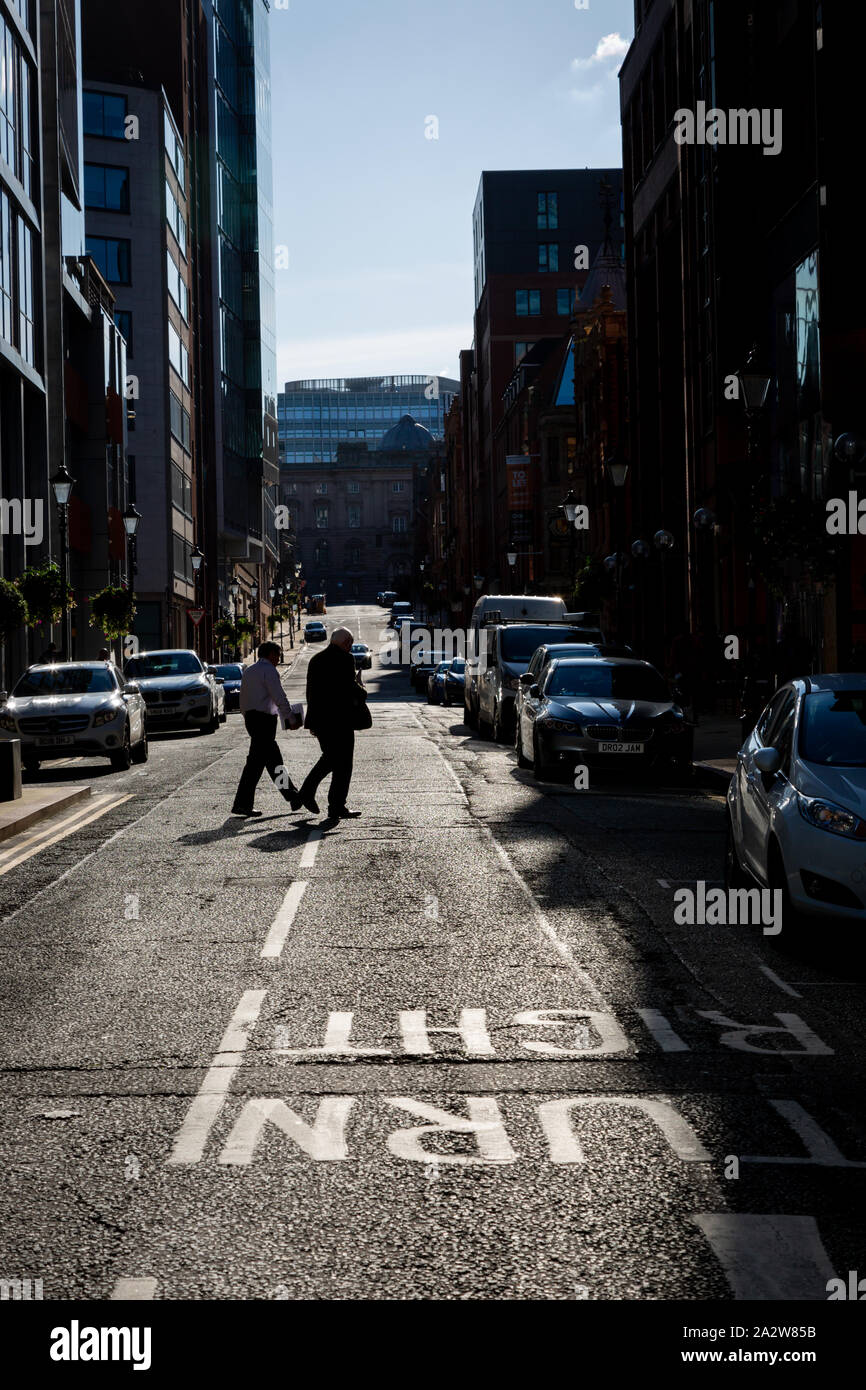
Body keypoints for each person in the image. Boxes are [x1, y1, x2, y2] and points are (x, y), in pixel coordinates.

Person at [232, 641, 303, 817]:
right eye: (277, 655)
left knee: (272, 761)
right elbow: (279, 696)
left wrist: (247, 717)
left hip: (252, 718)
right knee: (255, 765)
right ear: (270, 654)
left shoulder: (249, 671)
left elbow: (243, 699)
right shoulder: (269, 670)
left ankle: (293, 797)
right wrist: (291, 718)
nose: (278, 659)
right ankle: (242, 804)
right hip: (264, 720)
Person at [298, 627, 363, 819]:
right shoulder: (345, 659)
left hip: (320, 720)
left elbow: (311, 692)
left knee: (331, 758)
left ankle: (320, 798)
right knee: (342, 763)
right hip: (340, 720)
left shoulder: (316, 660)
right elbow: (349, 688)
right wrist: (362, 690)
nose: (350, 647)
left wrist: (312, 722)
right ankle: (330, 803)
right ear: (346, 643)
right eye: (350, 643)